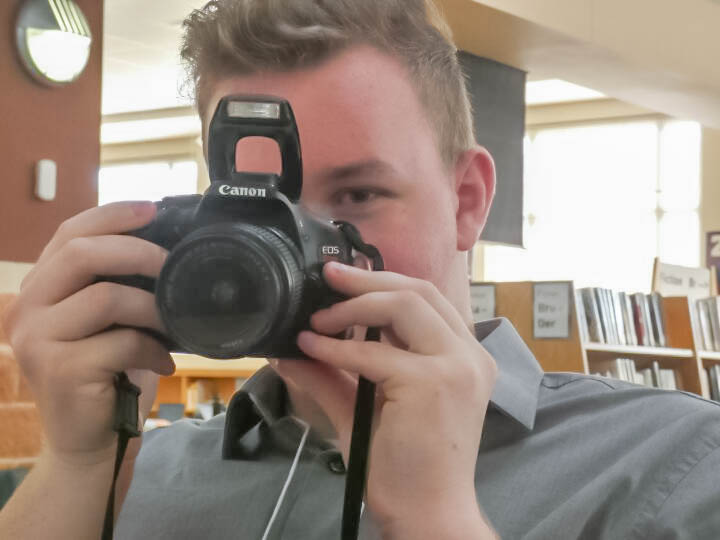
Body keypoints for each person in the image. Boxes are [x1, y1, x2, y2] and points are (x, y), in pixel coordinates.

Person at [1, 0, 719, 539]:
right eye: (266, 208)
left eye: (358, 196)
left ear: (466, 201)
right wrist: (76, 464)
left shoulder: (676, 464)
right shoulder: (140, 475)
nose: (296, 250)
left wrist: (437, 519)